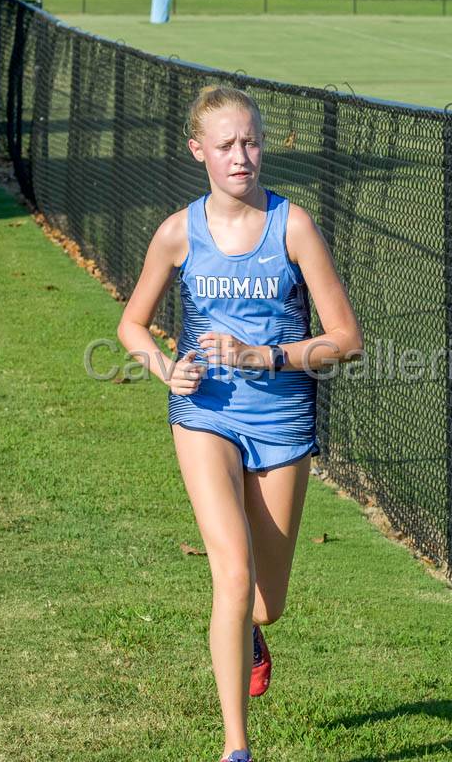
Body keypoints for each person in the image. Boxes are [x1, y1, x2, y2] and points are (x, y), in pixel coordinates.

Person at [118, 85, 363, 762]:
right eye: (225, 145)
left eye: (251, 142)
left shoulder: (294, 226)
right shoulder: (177, 232)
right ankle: (235, 748)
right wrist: (167, 369)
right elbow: (130, 324)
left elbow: (347, 337)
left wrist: (269, 355)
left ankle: (253, 634)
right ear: (198, 151)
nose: (241, 156)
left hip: (282, 421)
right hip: (205, 416)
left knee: (264, 600)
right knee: (231, 572)